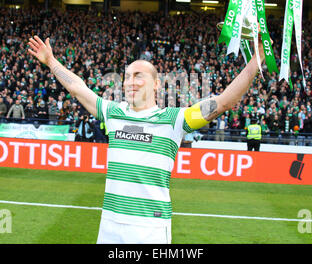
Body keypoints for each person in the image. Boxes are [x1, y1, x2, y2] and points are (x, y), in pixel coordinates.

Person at [28, 34, 266, 244]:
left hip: (150, 228)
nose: (131, 81)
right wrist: (51, 61)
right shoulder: (113, 112)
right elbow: (77, 88)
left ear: (156, 85)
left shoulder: (175, 119)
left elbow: (224, 101)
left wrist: (256, 60)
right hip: (109, 223)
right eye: (128, 76)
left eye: (139, 76)